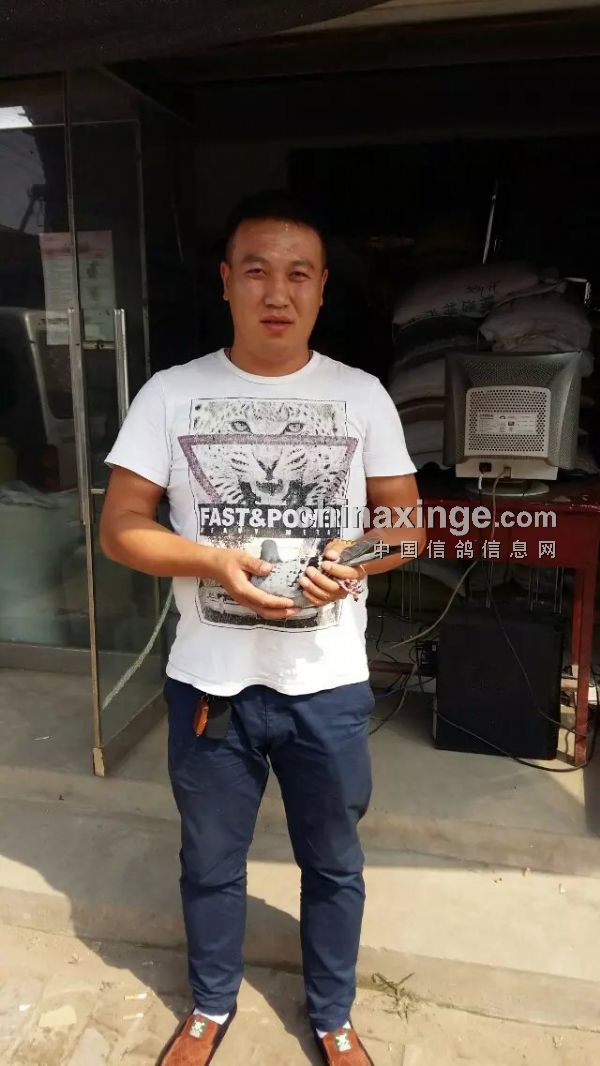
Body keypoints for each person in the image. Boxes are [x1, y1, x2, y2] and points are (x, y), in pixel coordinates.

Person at [100, 190, 425, 1066]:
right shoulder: (172, 394)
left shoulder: (361, 396)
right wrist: (213, 561)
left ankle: (333, 1016)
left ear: (321, 289)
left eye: (297, 274)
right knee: (210, 860)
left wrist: (352, 559)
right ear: (225, 282)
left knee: (335, 863)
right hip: (211, 682)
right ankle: (210, 1005)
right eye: (256, 271)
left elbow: (406, 529)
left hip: (327, 683)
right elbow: (121, 527)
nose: (276, 292)